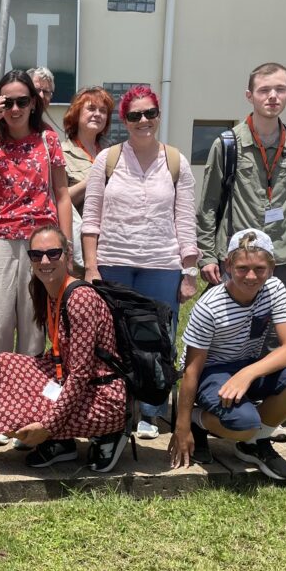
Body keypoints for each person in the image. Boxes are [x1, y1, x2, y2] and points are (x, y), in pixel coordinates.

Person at [81, 84, 198, 439]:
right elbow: (91, 218)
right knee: (112, 340)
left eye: (150, 113)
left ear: (158, 116)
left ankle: (150, 411)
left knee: (156, 340)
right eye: (135, 115)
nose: (143, 120)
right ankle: (115, 406)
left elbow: (185, 221)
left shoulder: (176, 161)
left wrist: (189, 271)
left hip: (162, 265)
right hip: (113, 262)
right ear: (125, 120)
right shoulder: (107, 160)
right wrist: (91, 267)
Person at [0, 226, 128, 472]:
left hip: (102, 397)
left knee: (18, 415)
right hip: (70, 382)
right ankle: (61, 443)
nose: (44, 261)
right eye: (36, 255)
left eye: (53, 253)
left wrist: (47, 426)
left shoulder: (80, 299)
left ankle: (109, 433)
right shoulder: (47, 290)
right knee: (3, 364)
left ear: (67, 255)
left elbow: (81, 375)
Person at [169, 229, 286, 481]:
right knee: (244, 425)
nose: (251, 276)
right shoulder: (209, 306)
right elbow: (191, 370)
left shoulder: (274, 288)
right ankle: (198, 420)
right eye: (242, 268)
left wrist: (248, 374)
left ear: (272, 268)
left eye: (260, 269)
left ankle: (255, 442)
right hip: (211, 371)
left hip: (248, 365)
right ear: (228, 265)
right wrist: (181, 425)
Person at [0, 70, 72, 361]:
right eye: (7, 102)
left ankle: (28, 388)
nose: (15, 109)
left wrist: (66, 247)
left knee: (34, 330)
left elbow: (62, 194)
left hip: (40, 244)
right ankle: (0, 386)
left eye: (22, 101)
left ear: (33, 103)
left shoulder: (48, 139)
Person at [196, 63, 286, 295]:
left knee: (276, 317)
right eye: (264, 90)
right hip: (236, 254)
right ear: (249, 96)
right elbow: (209, 204)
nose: (273, 96)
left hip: (281, 254)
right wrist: (207, 256)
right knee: (232, 317)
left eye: (280, 89)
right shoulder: (227, 144)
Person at [59, 86, 113, 263]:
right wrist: (92, 179)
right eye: (91, 108)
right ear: (76, 114)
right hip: (79, 247)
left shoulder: (114, 152)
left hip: (112, 243)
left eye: (103, 111)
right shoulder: (60, 153)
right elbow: (59, 200)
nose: (98, 114)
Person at [27, 66, 63, 136]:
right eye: (36, 90)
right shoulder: (12, 125)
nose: (41, 96)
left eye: (46, 91)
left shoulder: (49, 133)